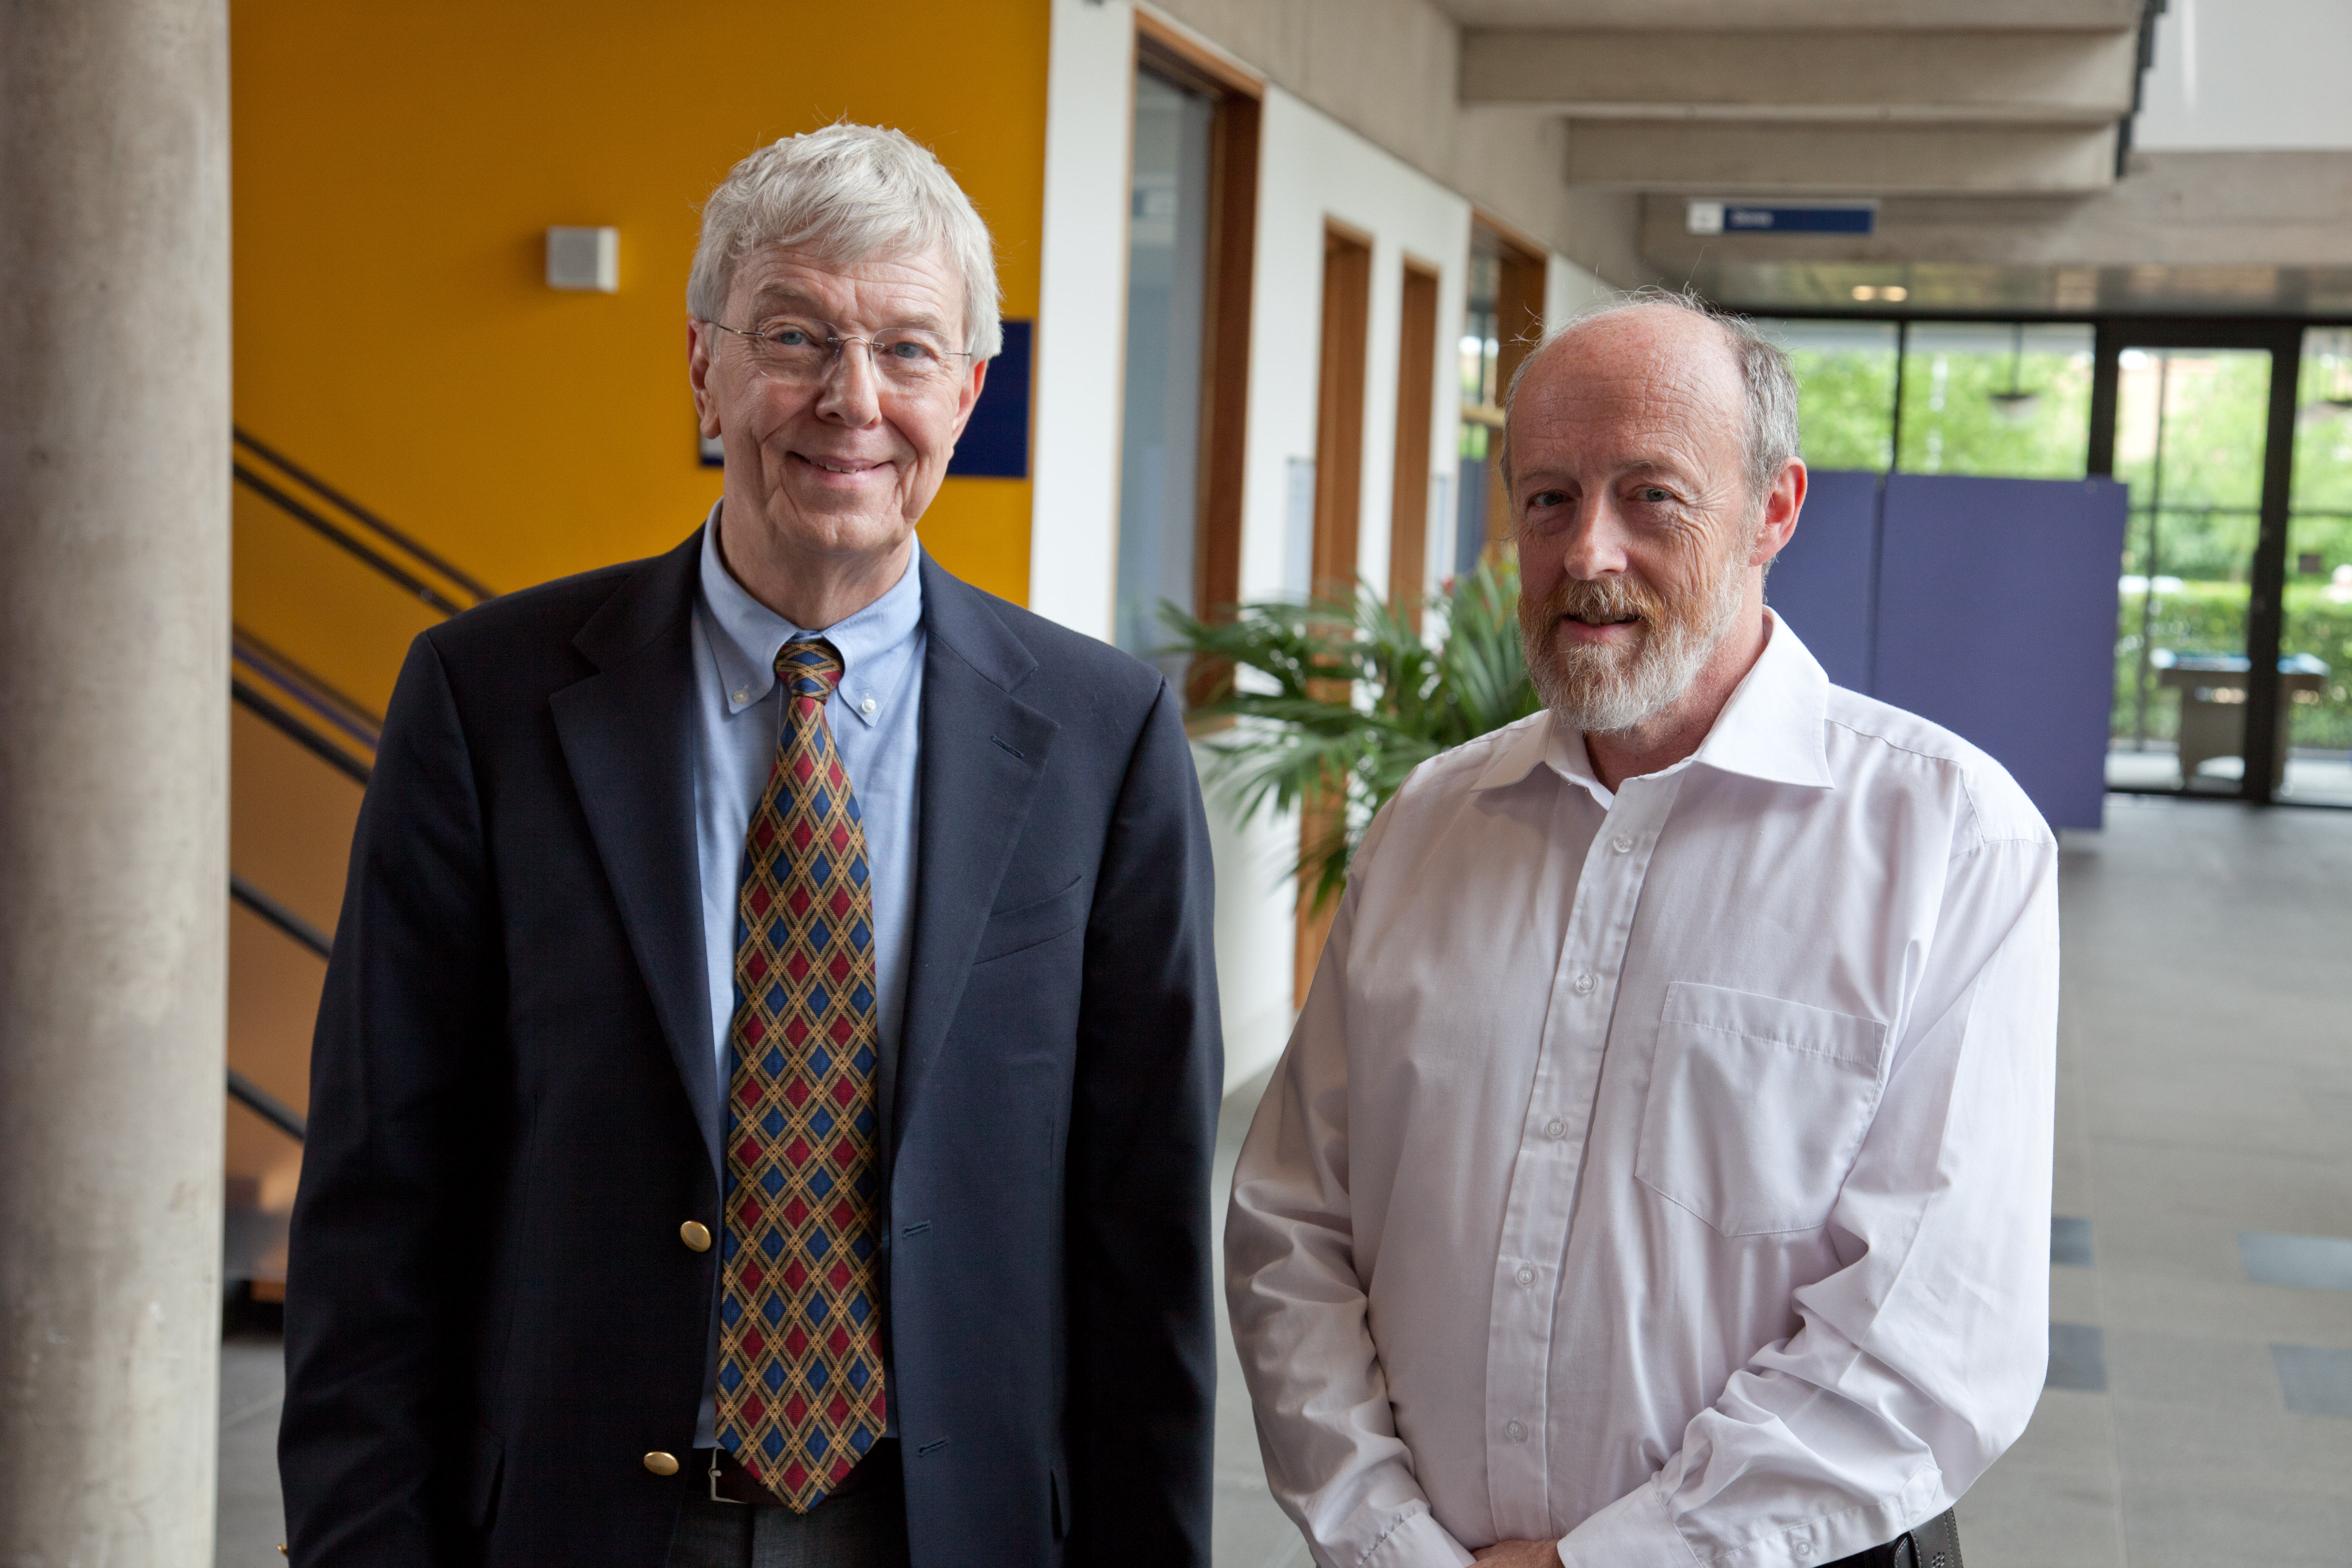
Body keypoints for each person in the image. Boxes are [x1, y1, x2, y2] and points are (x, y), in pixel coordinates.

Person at [280, 124, 1222, 1567]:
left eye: (907, 351)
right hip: (576, 1530)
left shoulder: (1106, 740)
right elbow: (379, 1197)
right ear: (702, 367)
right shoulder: (485, 701)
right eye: (795, 337)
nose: (854, 400)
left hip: (949, 1528)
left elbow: (1141, 1234)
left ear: (969, 393)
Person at [1225, 294, 2056, 1568]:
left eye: (1651, 496)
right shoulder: (1429, 827)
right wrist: (1385, 1537)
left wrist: (1607, 1561)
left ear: (1774, 509)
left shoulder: (1949, 843)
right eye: (1548, 499)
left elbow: (1934, 1335)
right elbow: (1295, 1228)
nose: (1588, 553)